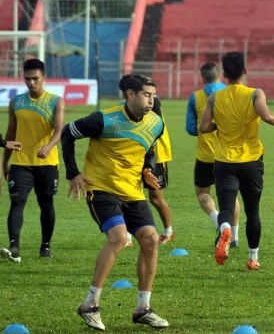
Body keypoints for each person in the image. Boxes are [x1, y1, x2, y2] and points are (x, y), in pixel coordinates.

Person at [62, 74, 169, 331]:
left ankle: (143, 308)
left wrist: (147, 169)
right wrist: (73, 173)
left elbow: (149, 149)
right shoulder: (103, 119)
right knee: (119, 238)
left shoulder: (156, 123)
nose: (152, 100)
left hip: (132, 192)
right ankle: (90, 304)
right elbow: (67, 133)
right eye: (146, 94)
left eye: (153, 95)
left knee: (150, 239)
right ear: (130, 94)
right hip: (101, 189)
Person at [199, 51, 274, 271]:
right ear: (244, 71)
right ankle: (253, 258)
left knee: (226, 207)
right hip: (251, 160)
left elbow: (203, 127)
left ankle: (224, 227)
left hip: (224, 161)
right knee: (252, 210)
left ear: (224, 74)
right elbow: (267, 116)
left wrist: (221, 125)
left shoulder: (215, 97)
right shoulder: (255, 93)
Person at [0, 58, 64, 263]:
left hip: (47, 163)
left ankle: (45, 245)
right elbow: (11, 132)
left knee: (46, 203)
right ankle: (14, 246)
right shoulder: (16, 102)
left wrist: (49, 146)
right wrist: (5, 161)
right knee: (17, 201)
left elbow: (59, 129)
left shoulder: (56, 101)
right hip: (20, 163)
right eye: (27, 79)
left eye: (35, 79)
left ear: (44, 78)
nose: (31, 83)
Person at [186, 62, 240, 246]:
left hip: (206, 156)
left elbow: (191, 128)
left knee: (202, 193)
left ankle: (220, 223)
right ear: (220, 75)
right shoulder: (233, 93)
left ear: (202, 77)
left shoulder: (196, 97)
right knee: (232, 195)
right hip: (229, 154)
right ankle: (235, 236)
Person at [146, 97, 175, 244]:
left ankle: (168, 231)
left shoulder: (154, 101)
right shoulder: (125, 105)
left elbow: (156, 126)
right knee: (126, 196)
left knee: (155, 197)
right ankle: (126, 236)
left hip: (156, 156)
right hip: (135, 155)